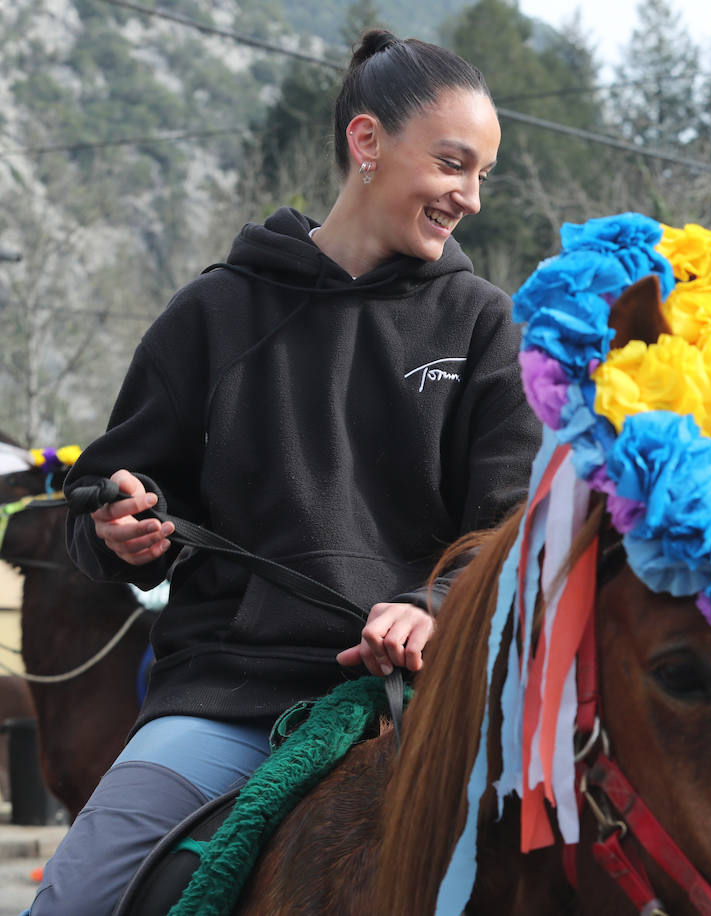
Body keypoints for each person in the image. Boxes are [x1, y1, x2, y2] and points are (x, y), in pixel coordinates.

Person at [31, 30, 540, 914]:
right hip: (226, 699)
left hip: (419, 708)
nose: (471, 198)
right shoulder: (212, 313)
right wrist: (119, 533)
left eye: (483, 174)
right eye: (454, 164)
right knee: (74, 897)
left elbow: (512, 526)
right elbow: (97, 509)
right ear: (368, 142)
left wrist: (433, 609)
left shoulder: (484, 327)